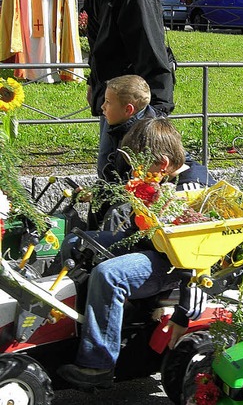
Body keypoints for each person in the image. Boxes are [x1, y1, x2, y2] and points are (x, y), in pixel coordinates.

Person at [57, 117, 213, 390]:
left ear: (163, 164)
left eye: (138, 167)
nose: (134, 174)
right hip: (148, 244)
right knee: (76, 240)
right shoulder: (163, 178)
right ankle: (70, 325)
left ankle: (98, 364)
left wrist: (184, 314)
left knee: (110, 274)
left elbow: (198, 258)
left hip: (171, 265)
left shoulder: (189, 192)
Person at [81, 0, 175, 180]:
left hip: (136, 102)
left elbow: (151, 47)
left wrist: (158, 109)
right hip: (111, 94)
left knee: (123, 178)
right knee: (111, 173)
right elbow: (99, 40)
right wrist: (93, 82)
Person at [99, 74, 157, 182]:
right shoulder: (123, 128)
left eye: (108, 102)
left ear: (128, 110)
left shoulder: (143, 138)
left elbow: (130, 184)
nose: (103, 106)